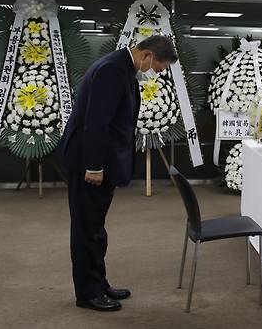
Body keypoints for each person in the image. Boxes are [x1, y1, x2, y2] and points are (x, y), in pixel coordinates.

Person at [59, 35, 177, 311]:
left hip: (101, 161)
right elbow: (96, 122)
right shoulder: (112, 69)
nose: (154, 74)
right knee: (87, 229)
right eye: (157, 68)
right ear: (147, 55)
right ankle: (87, 293)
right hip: (90, 163)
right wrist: (94, 166)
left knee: (96, 228)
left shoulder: (121, 66)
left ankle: (98, 283)